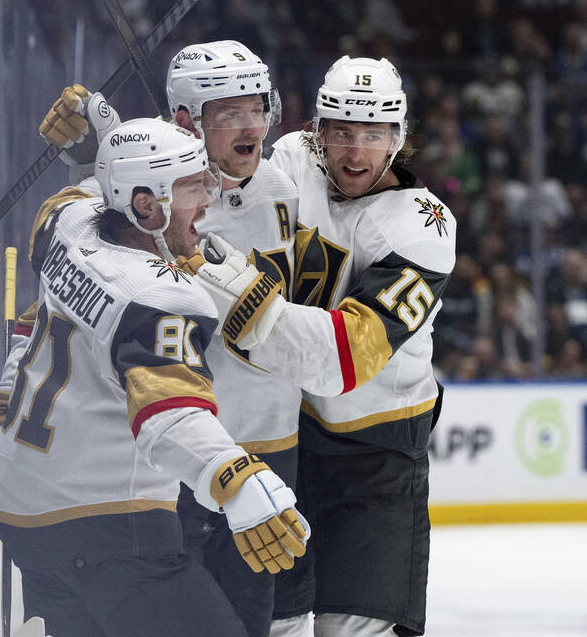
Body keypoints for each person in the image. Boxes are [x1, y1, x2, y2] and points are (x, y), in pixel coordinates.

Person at [0, 118, 308, 637]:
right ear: (146, 204)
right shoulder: (160, 296)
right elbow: (168, 413)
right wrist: (236, 479)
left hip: (22, 511)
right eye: (193, 186)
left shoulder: (64, 220)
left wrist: (108, 133)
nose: (208, 199)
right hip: (105, 525)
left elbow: (92, 190)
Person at [191, 56, 456, 636]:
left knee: (350, 631)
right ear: (318, 130)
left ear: (398, 138)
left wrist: (243, 291)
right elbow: (199, 180)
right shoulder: (288, 160)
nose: (355, 154)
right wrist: (106, 150)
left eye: (373, 135)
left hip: (375, 461)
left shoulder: (423, 228)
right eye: (341, 132)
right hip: (288, 444)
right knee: (272, 624)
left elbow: (345, 360)